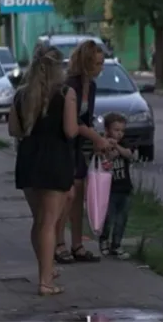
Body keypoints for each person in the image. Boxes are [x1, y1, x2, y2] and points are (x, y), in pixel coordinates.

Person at [9, 45, 80, 296]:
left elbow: (14, 130)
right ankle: (45, 282)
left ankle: (46, 269)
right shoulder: (66, 93)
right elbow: (70, 131)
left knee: (39, 221)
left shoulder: (21, 95)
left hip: (28, 160)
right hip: (55, 160)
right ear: (59, 67)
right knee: (49, 223)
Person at [55, 40, 111, 264]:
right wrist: (95, 137)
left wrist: (97, 140)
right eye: (97, 63)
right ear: (86, 63)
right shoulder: (70, 86)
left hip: (77, 146)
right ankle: (58, 243)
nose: (101, 68)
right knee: (65, 196)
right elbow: (72, 121)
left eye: (102, 63)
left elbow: (86, 120)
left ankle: (77, 244)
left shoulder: (92, 87)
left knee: (78, 193)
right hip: (62, 144)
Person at [99, 112, 136, 259]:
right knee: (108, 218)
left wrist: (117, 147)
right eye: (116, 130)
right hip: (109, 189)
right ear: (107, 130)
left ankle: (116, 244)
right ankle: (104, 241)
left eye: (122, 130)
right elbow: (102, 158)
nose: (120, 133)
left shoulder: (125, 143)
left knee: (121, 219)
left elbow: (129, 154)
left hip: (124, 187)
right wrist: (107, 149)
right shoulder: (102, 143)